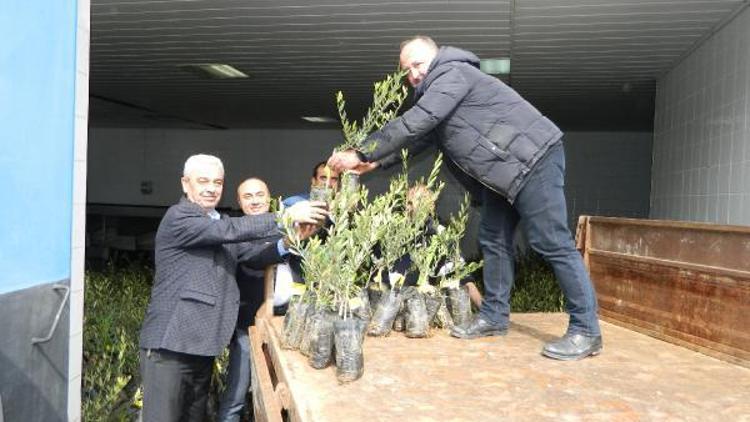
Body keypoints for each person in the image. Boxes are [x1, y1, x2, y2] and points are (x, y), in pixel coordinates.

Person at [328, 36, 602, 361]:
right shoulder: (437, 91)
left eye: (418, 64)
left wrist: (362, 150)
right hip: (503, 173)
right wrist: (376, 161)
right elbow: (424, 136)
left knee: (551, 241)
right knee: (493, 239)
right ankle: (494, 317)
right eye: (407, 70)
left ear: (436, 56)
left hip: (533, 159)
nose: (413, 74)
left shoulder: (453, 73)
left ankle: (586, 330)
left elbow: (417, 122)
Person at [138, 155, 326, 422]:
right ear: (185, 184)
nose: (211, 188)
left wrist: (290, 240)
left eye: (217, 182)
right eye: (203, 181)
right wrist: (285, 215)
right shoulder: (180, 217)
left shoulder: (218, 222)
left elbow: (253, 256)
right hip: (170, 347)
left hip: (202, 348)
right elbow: (231, 229)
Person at [216, 177, 283, 422]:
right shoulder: (234, 231)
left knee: (276, 399)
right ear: (239, 202)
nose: (255, 201)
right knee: (236, 395)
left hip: (282, 328)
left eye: (259, 195)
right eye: (248, 196)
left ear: (270, 198)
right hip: (246, 326)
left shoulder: (285, 227)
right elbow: (254, 258)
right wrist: (284, 247)